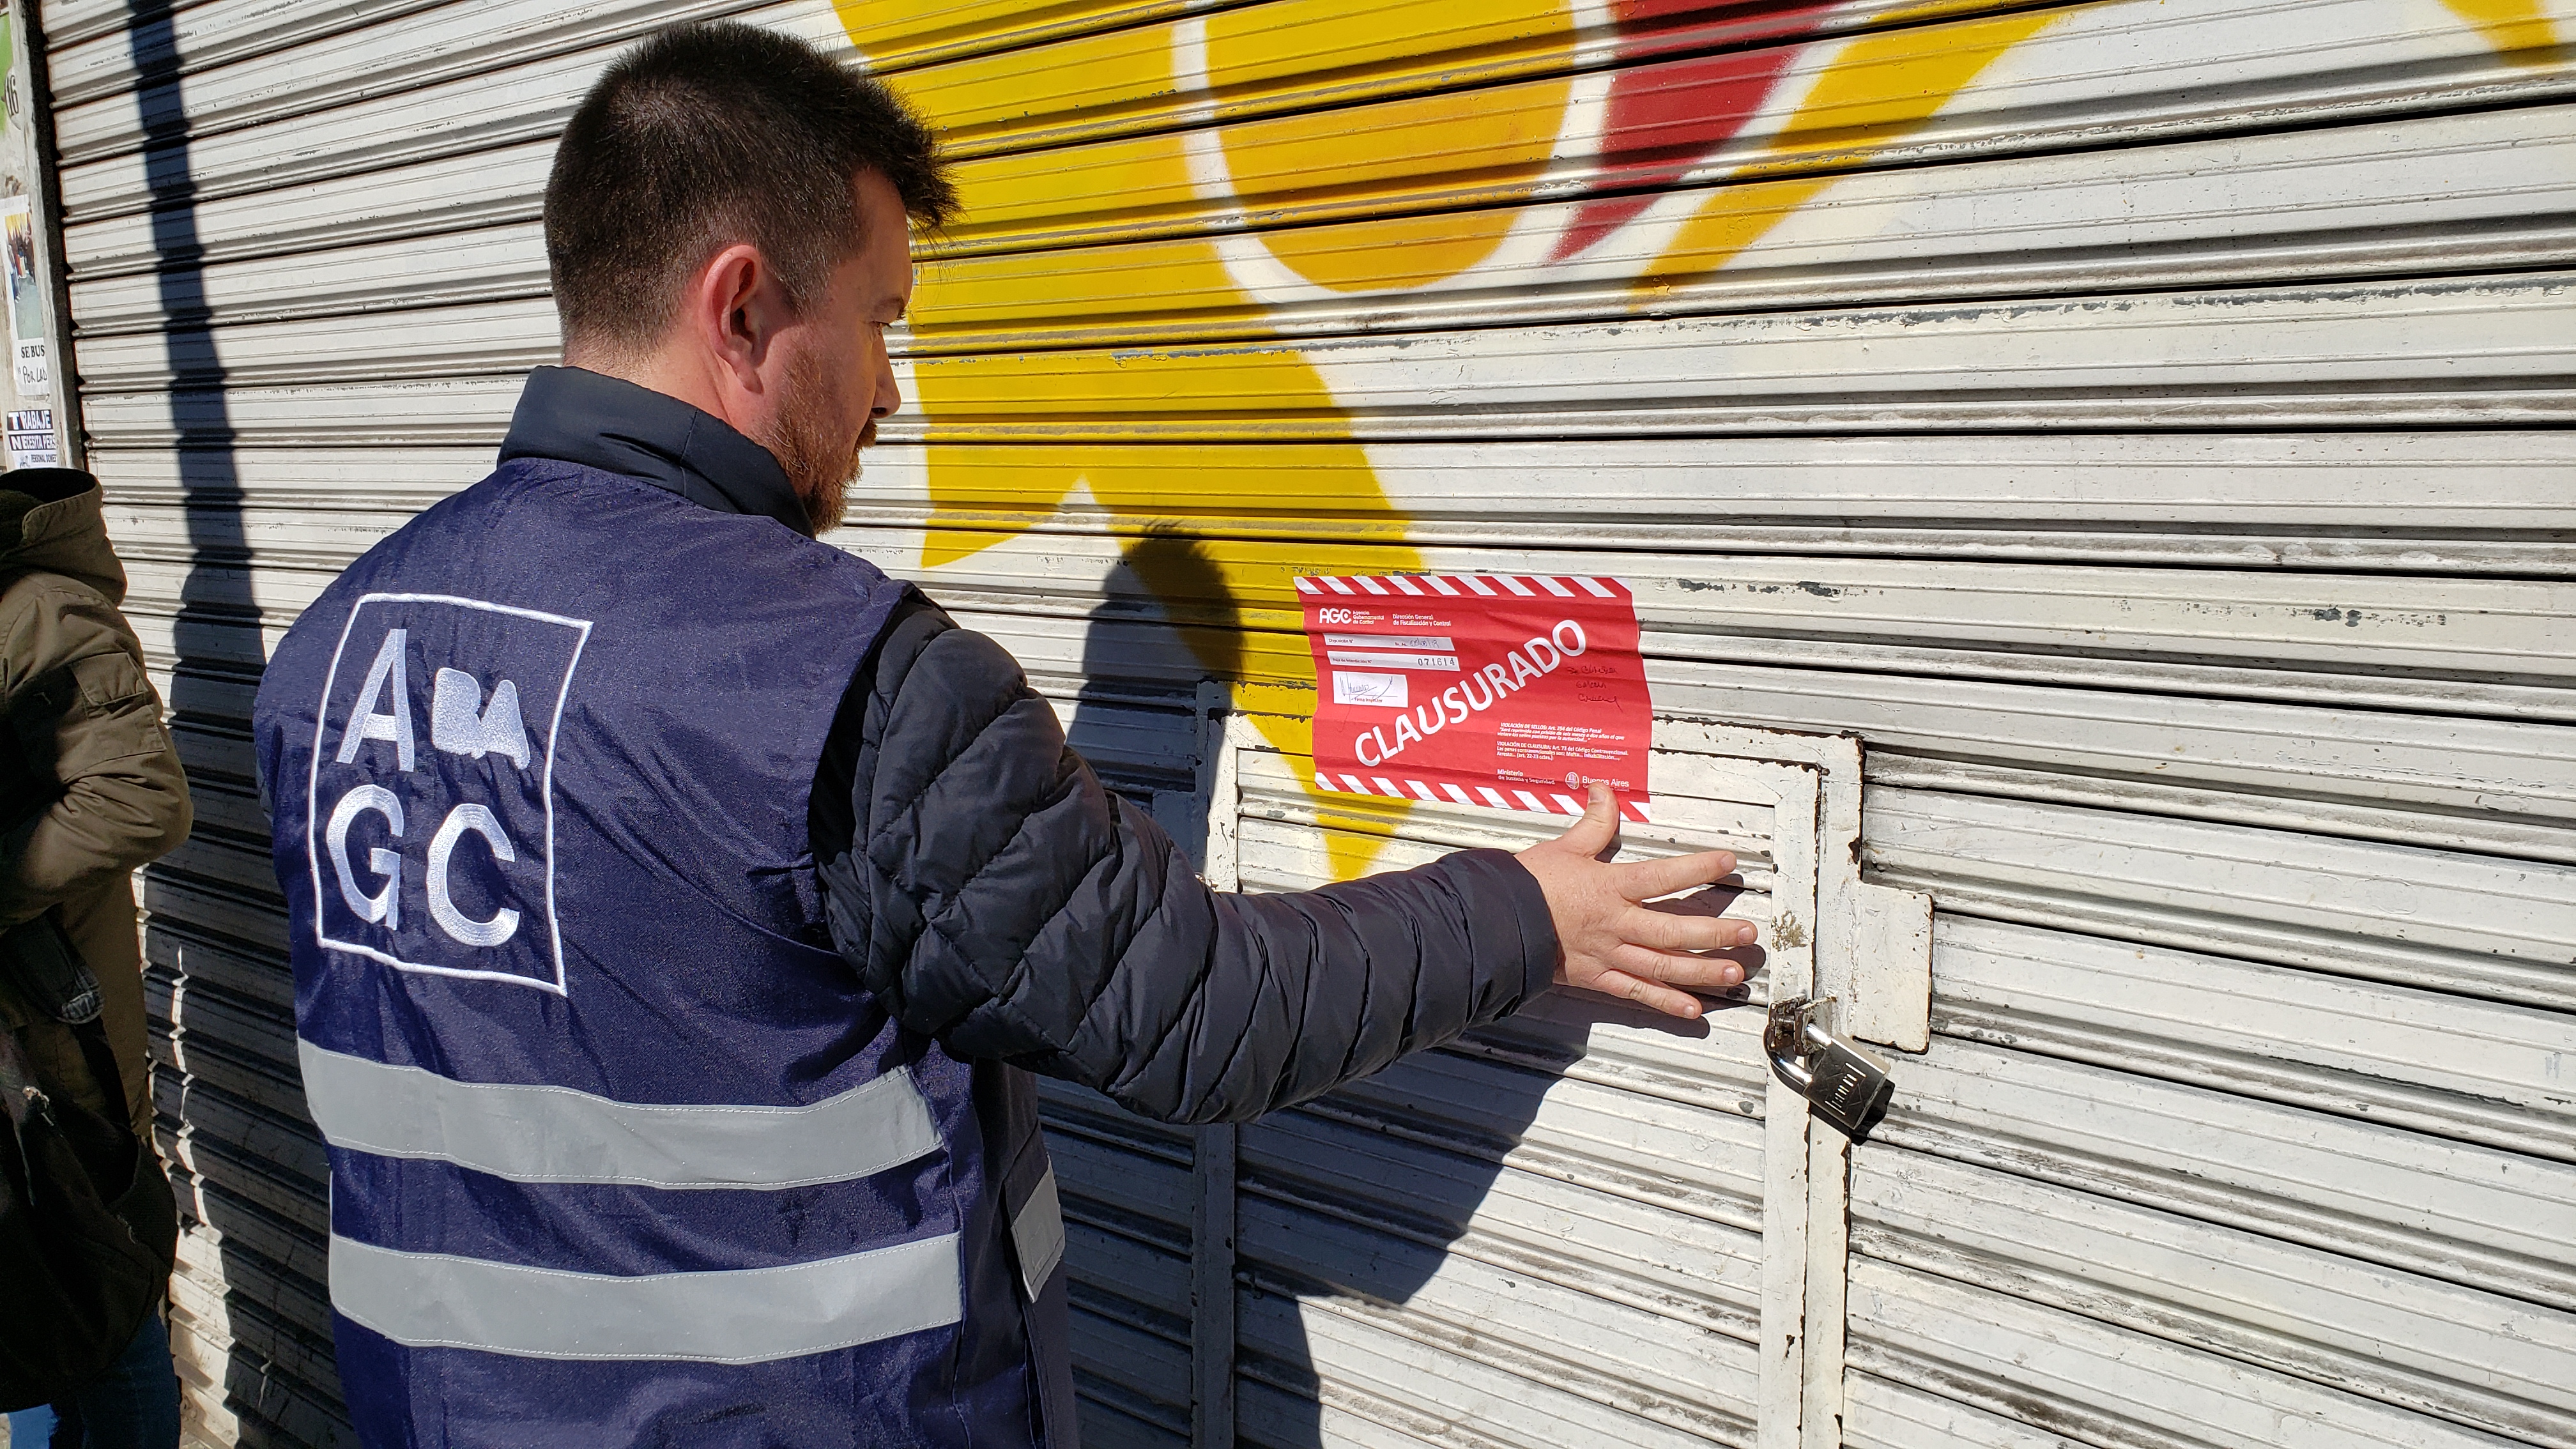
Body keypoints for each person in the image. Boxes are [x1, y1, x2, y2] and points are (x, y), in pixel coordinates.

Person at [248, 22, 1756, 1449]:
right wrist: (1526, 912)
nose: (893, 393)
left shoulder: (331, 656)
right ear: (746, 307)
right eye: (881, 320)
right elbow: (1199, 1009)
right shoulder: (833, 678)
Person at [3, 466, 192, 1449]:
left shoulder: (35, 611)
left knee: (98, 1308)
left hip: (56, 1048)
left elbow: (140, 798)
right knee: (25, 1310)